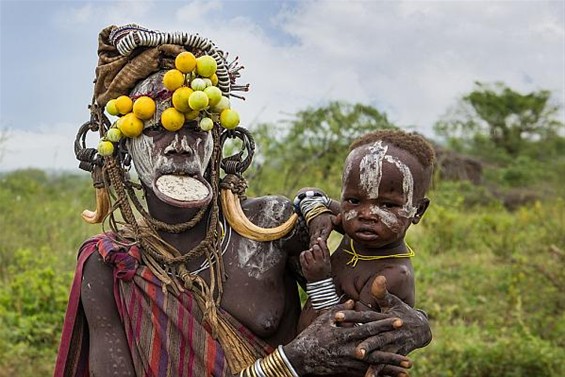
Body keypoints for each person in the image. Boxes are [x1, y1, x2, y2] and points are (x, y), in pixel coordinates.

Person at [54, 24, 431, 377]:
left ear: (217, 142)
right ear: (123, 149)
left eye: (195, 128)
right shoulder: (109, 264)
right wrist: (292, 361)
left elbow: (350, 303)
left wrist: (418, 324)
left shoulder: (272, 225)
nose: (180, 146)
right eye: (155, 131)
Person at [297, 130, 435, 359]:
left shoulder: (392, 275)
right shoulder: (355, 230)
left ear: (418, 210)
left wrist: (319, 280)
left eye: (388, 205)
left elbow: (345, 339)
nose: (367, 214)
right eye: (354, 200)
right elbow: (306, 194)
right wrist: (317, 213)